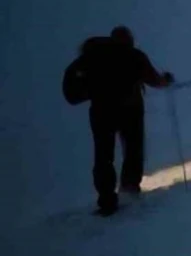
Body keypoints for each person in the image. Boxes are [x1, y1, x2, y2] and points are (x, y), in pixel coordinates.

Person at [64, 26, 174, 215]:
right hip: (131, 111)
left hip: (101, 113)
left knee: (103, 155)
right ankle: (130, 190)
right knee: (133, 150)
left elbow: (71, 90)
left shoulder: (91, 59)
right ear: (129, 40)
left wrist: (91, 92)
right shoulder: (134, 56)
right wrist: (166, 80)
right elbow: (153, 79)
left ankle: (106, 199)